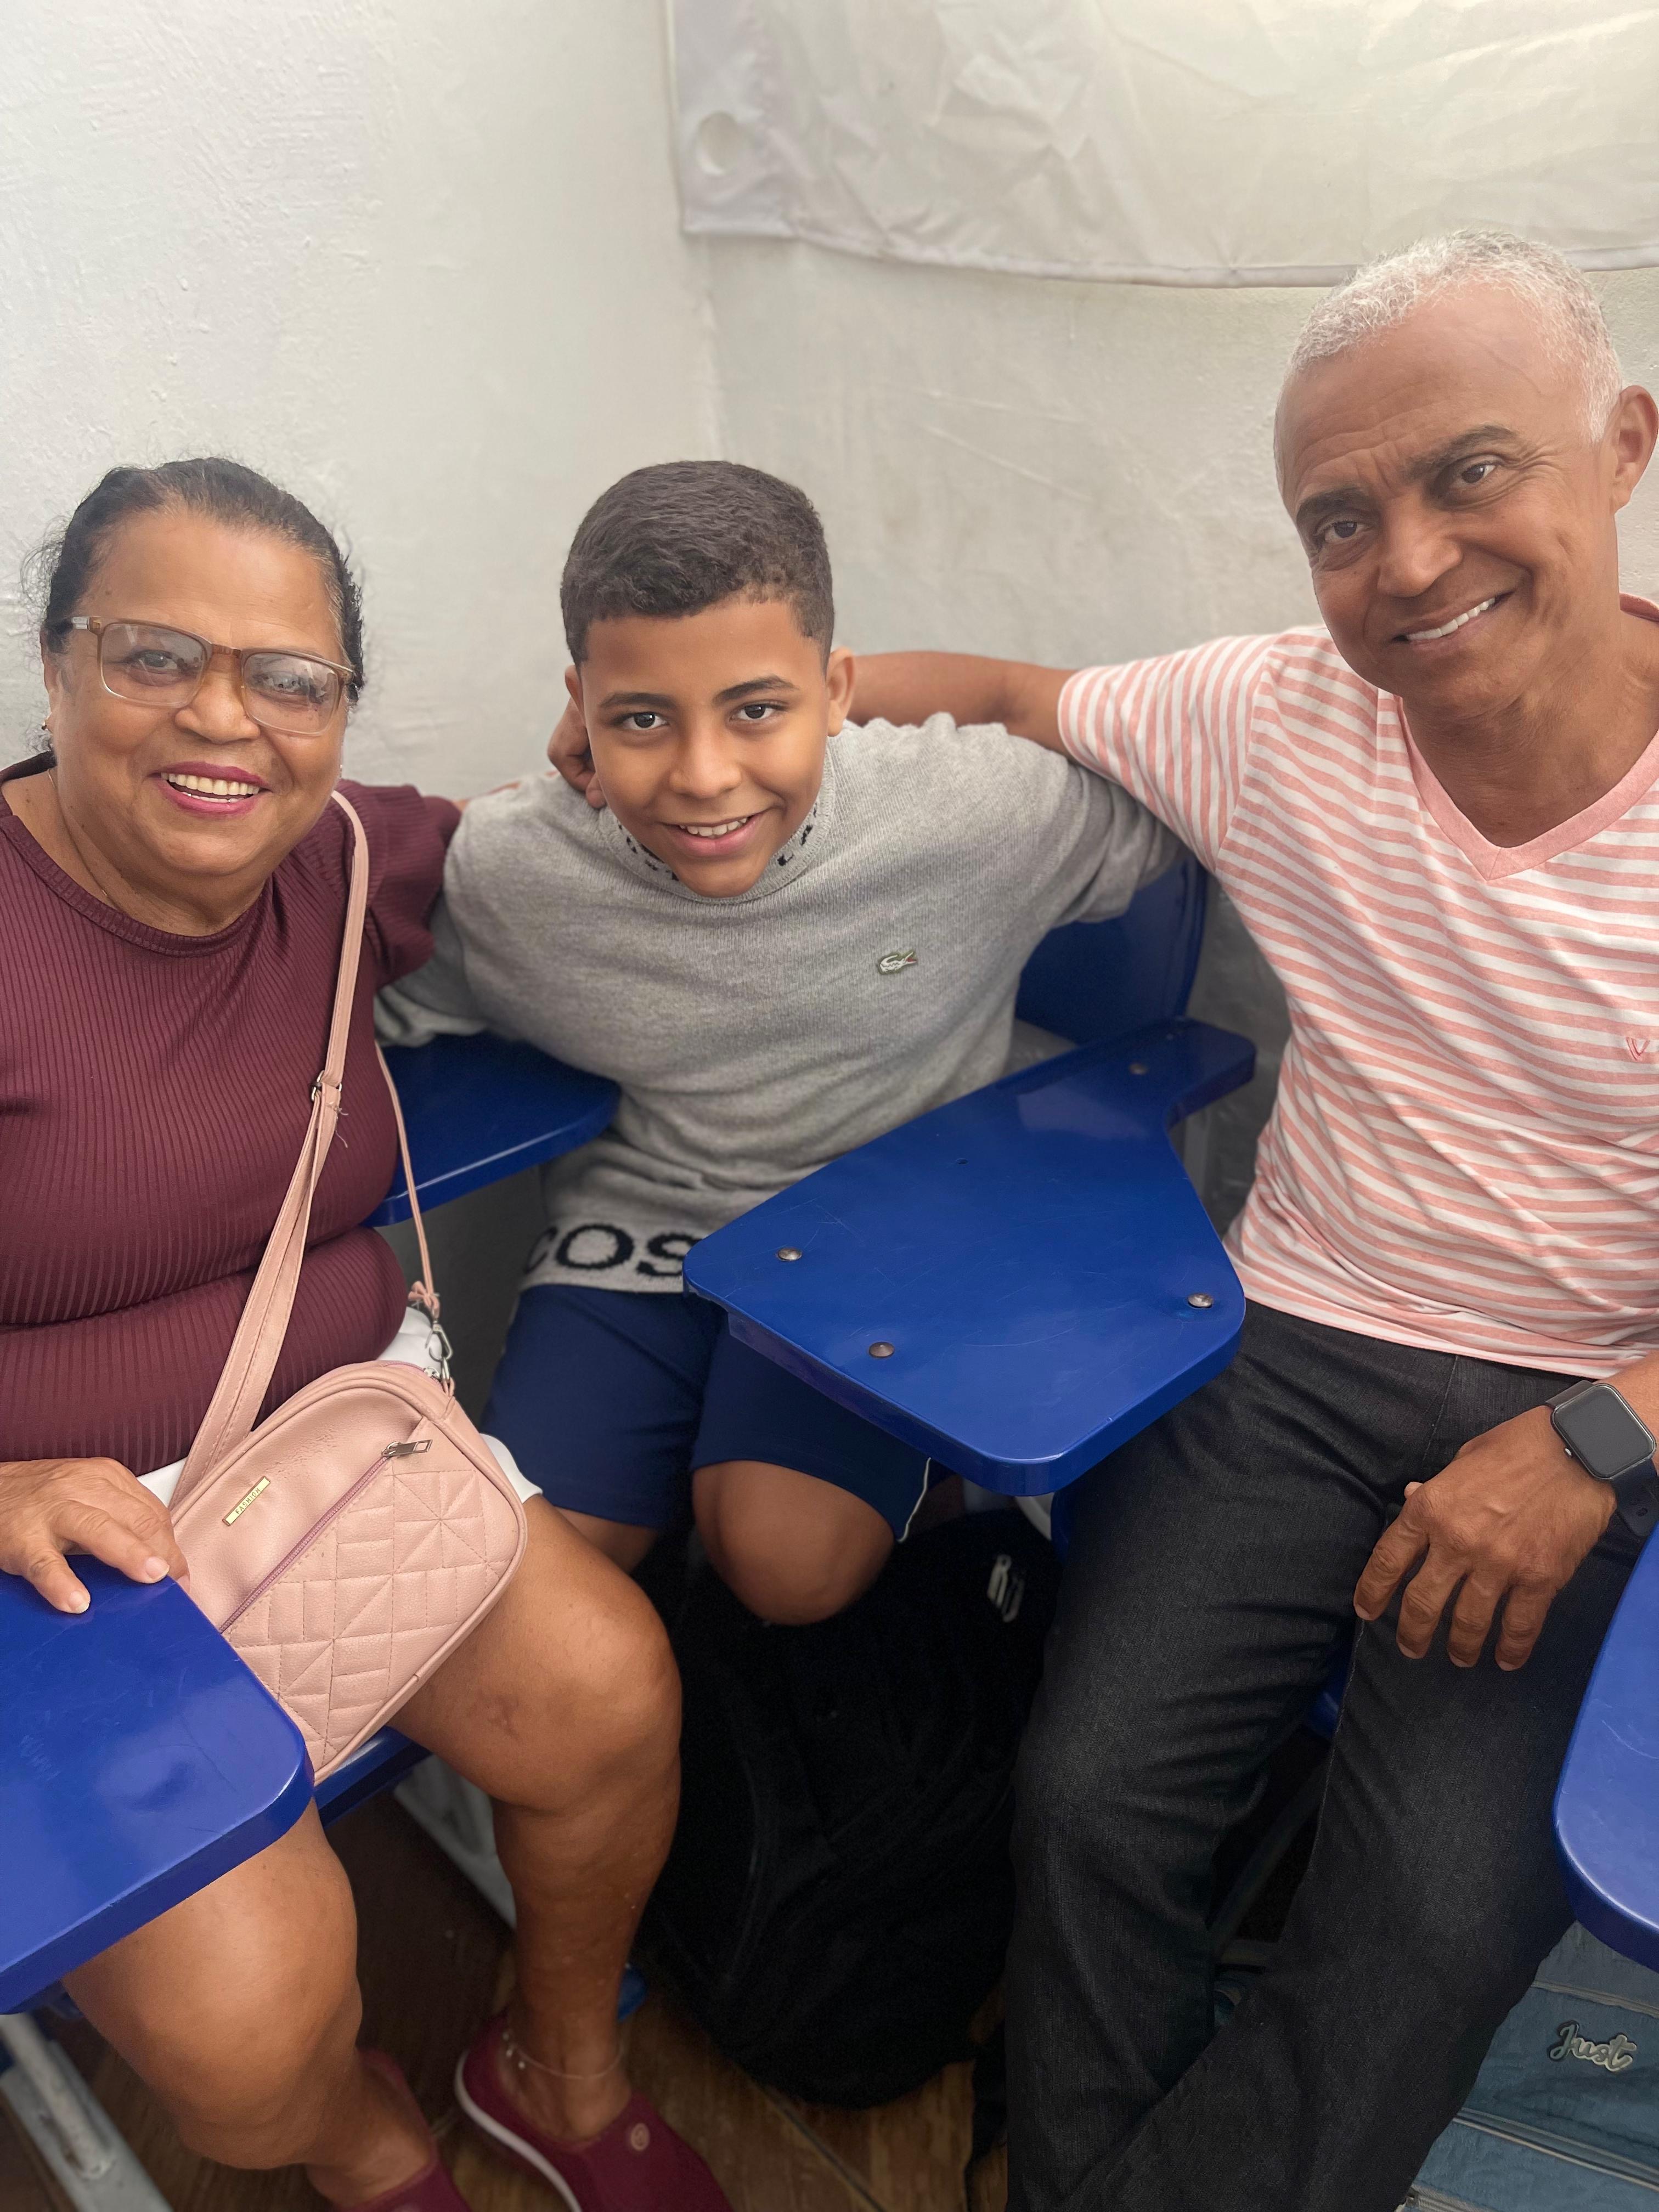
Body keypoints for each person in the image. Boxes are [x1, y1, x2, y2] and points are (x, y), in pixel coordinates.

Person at [842, 231, 1659, 2211]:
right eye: (1337, 521)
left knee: (1424, 1928)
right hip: (1292, 1341)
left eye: (1472, 472)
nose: (1407, 563)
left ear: (1623, 447)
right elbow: (1012, 693)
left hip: (1581, 1404)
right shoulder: (1275, 715)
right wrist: (722, 704)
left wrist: (1600, 1437)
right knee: (1088, 1797)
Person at [0, 459, 732, 2212]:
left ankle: (556, 2068)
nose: (224, 721)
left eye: (289, 679)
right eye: (154, 655)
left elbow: (585, 812)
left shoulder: (341, 858)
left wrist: (632, 737)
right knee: (250, 2037)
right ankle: (352, 2131)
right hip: (57, 1570)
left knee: (613, 1699)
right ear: (55, 663)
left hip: (327, 1462)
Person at [382, 459, 1174, 1625]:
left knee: (784, 1564)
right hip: (641, 1231)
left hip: (878, 1222)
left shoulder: (973, 810)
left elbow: (1195, 784)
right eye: (641, 718)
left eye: (757, 709)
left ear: (838, 689)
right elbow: (375, 1002)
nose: (705, 778)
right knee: (524, 1579)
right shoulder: (515, 872)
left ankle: (937, 1508)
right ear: (581, 707)